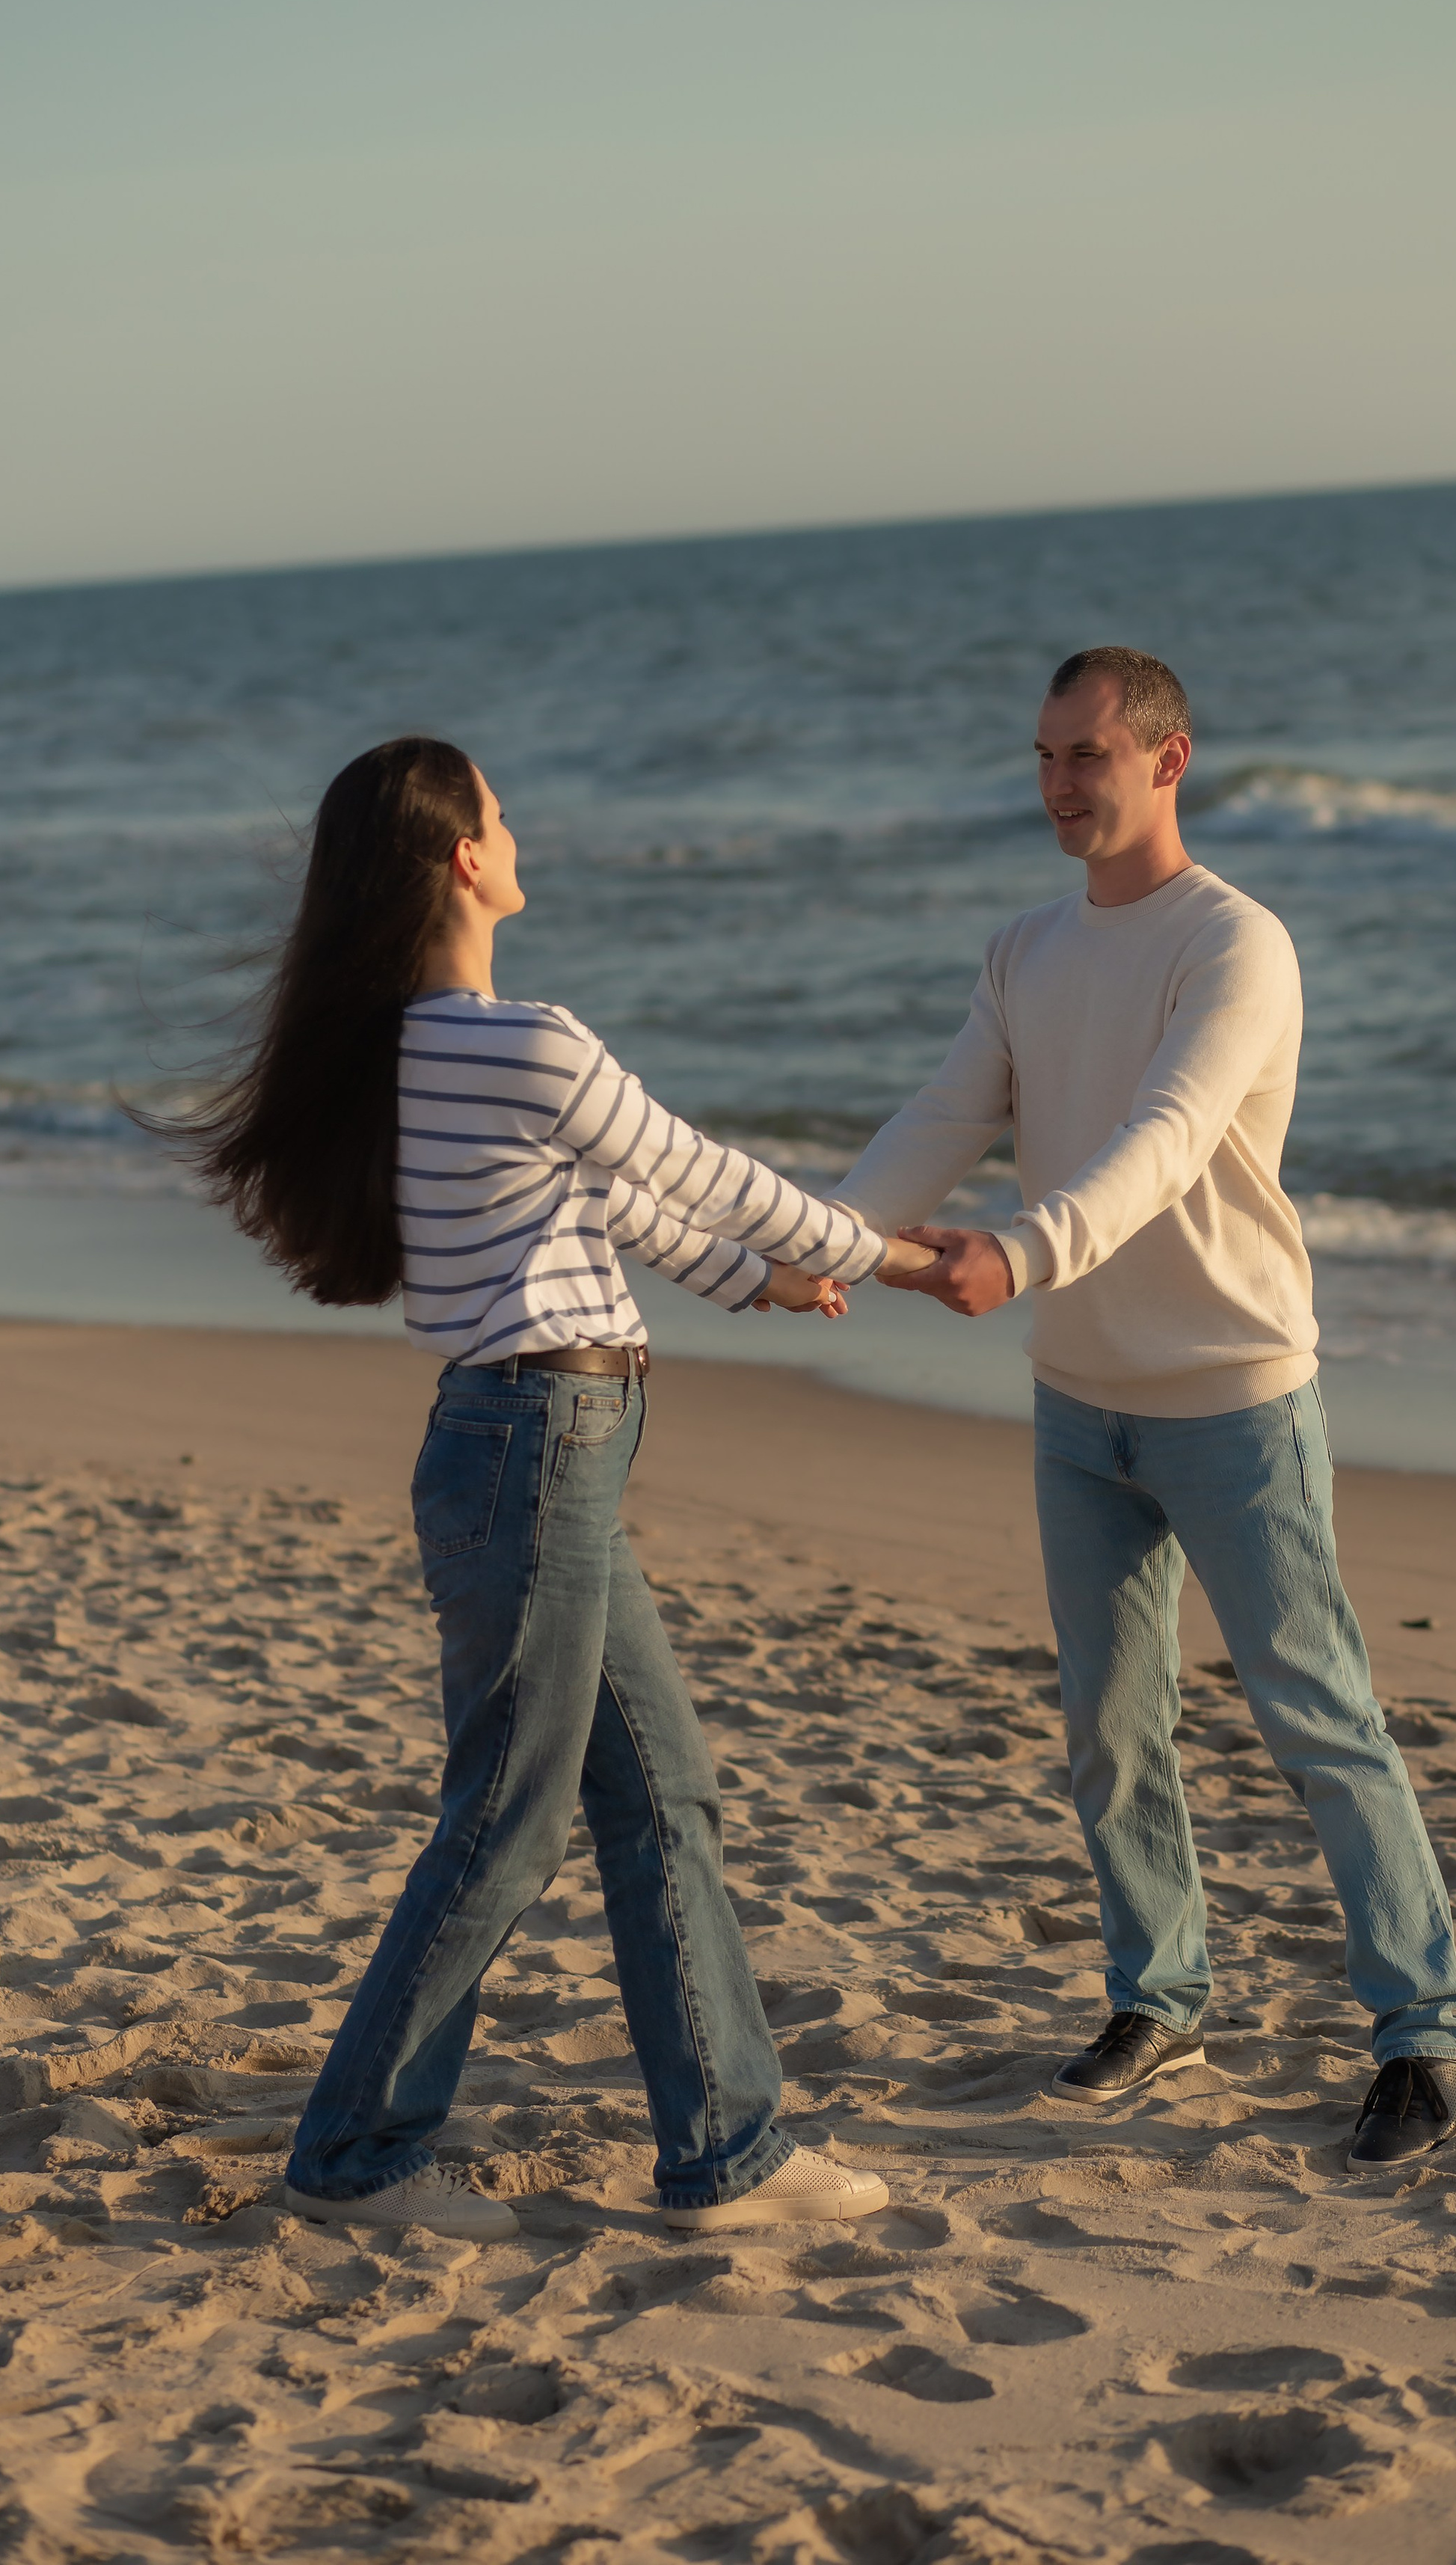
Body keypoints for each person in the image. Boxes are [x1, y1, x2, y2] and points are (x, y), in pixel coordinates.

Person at [182, 734, 931, 2241]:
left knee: (662, 1794)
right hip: (533, 1444)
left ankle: (726, 2151)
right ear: (461, 857)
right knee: (508, 1820)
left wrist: (758, 1286)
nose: (517, 834)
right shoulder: (515, 1041)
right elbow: (699, 1168)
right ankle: (353, 2158)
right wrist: (896, 1254)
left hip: (529, 1443)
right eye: (500, 816)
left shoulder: (419, 1054)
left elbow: (612, 1204)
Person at [835, 647, 1456, 2175]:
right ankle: (1157, 1998)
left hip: (1231, 1399)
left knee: (1318, 1725)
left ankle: (1430, 2041)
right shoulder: (1024, 950)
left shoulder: (1233, 945)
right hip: (1080, 1404)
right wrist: (826, 1244)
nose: (1061, 786)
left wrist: (1020, 1249)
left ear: (1165, 760)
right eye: (1045, 758)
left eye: (1088, 759)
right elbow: (943, 1112)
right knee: (1109, 1733)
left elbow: (1168, 1137)